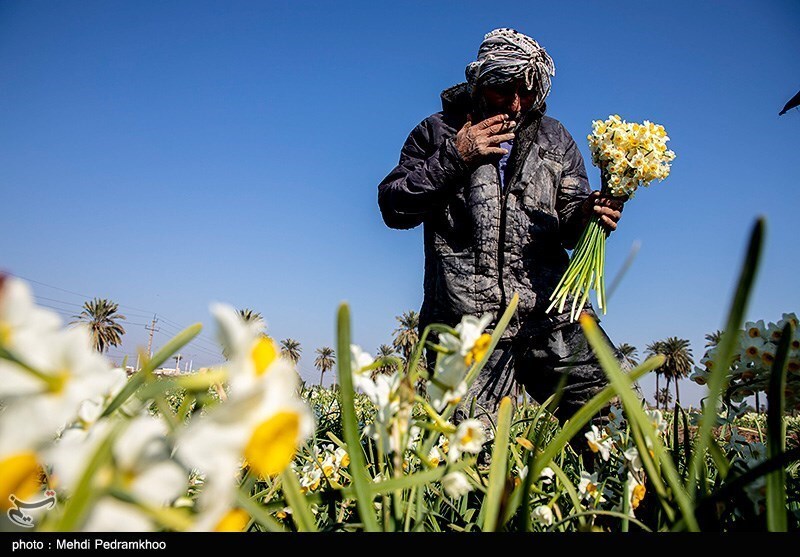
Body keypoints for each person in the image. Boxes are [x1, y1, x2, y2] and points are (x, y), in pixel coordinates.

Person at [377, 28, 625, 433]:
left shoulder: (555, 138)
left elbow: (568, 225)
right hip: (468, 326)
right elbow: (394, 206)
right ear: (479, 81)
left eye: (528, 93)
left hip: (552, 317)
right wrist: (455, 157)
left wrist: (589, 215)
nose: (515, 104)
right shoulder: (436, 132)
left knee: (614, 424)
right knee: (469, 453)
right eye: (504, 90)